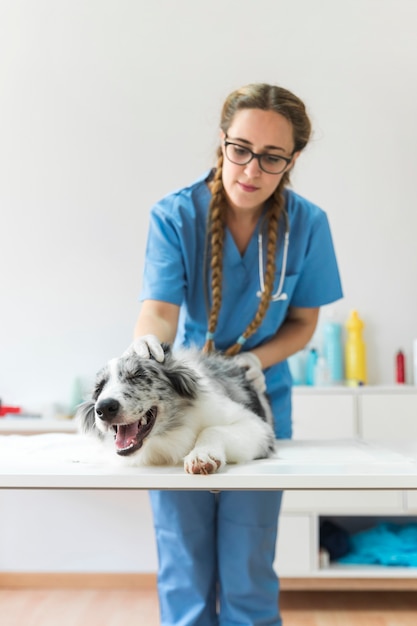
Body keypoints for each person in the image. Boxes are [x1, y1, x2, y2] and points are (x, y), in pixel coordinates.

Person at [131, 83, 343, 626]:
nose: (250, 169)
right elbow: (159, 312)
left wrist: (256, 362)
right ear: (222, 142)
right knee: (183, 556)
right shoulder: (175, 215)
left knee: (249, 562)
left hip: (258, 402)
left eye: (271, 157)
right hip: (184, 402)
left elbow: (303, 325)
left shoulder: (308, 225)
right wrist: (147, 349)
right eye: (240, 149)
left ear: (292, 161)